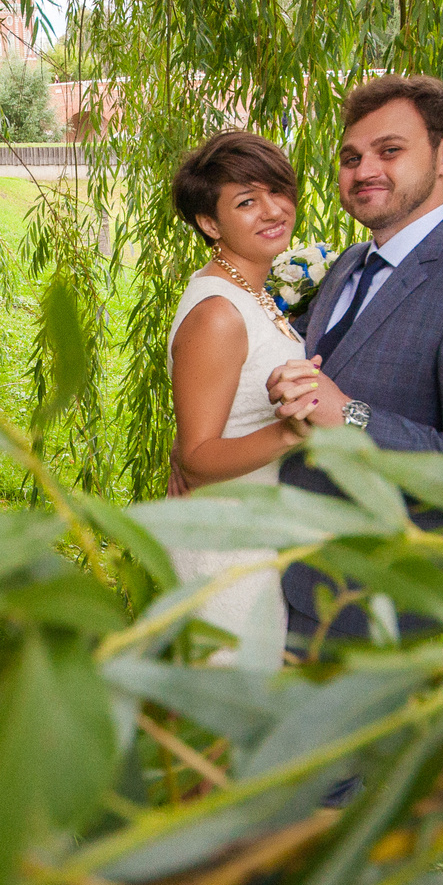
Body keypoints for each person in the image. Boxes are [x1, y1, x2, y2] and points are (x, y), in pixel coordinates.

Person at [266, 74, 443, 647]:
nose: (364, 170)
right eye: (351, 156)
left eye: (389, 151)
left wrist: (351, 416)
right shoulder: (350, 262)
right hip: (282, 578)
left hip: (375, 611)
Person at [163, 131, 313, 665]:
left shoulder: (253, 293)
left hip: (256, 538)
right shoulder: (220, 313)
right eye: (246, 202)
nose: (273, 210)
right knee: (225, 722)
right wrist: (295, 429)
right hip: (227, 553)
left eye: (278, 190)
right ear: (210, 223)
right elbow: (199, 458)